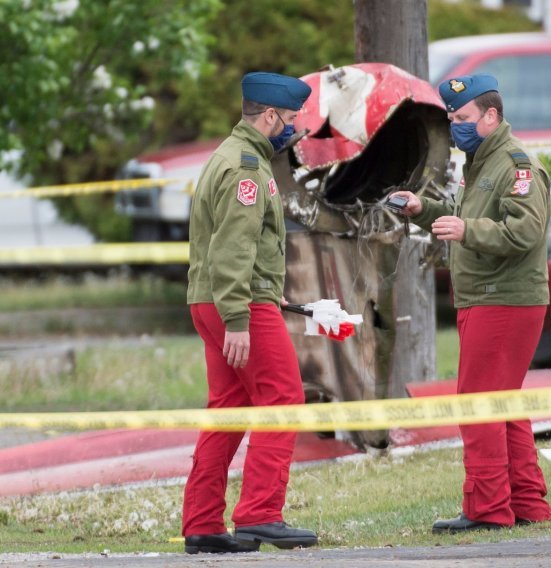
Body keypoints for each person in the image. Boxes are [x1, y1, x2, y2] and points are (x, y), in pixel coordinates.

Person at [390, 74, 551, 533]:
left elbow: (525, 232)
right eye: (451, 118)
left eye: (462, 118)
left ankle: (486, 509)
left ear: (491, 116)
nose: (454, 126)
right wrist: (421, 209)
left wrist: (467, 231)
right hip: (485, 296)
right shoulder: (480, 162)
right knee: (502, 402)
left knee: (479, 401)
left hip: (504, 298)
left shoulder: (516, 165)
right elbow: (465, 220)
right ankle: (526, 503)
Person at [182, 71, 318, 554]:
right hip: (234, 304)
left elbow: (236, 249)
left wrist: (261, 290)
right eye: (290, 120)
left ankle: (201, 523)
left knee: (229, 408)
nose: (293, 129)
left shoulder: (229, 156)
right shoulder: (246, 169)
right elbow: (233, 248)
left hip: (215, 298)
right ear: (268, 117)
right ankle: (260, 515)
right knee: (282, 398)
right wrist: (240, 316)